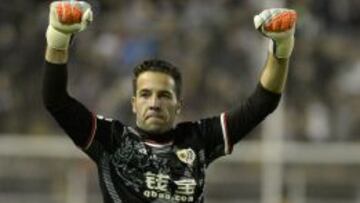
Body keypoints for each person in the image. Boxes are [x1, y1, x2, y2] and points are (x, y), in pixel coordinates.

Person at [42, 1, 297, 203]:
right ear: (133, 103)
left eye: (164, 95)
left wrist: (281, 48)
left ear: (179, 105)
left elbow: (263, 102)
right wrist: (58, 38)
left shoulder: (198, 139)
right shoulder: (112, 140)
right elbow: (56, 100)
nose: (154, 102)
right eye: (145, 94)